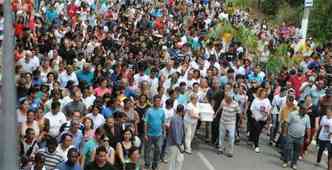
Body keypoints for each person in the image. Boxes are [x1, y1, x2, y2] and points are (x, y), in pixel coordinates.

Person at [282, 102, 311, 169]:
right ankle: (286, 161)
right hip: (290, 135)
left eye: (307, 110)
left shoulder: (307, 117)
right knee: (288, 149)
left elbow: (308, 128)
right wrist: (284, 133)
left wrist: (308, 138)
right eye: (305, 110)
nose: (306, 111)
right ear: (301, 109)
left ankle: (294, 163)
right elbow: (287, 123)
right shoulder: (292, 114)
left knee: (297, 151)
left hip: (300, 137)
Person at [144, 95, 165, 170]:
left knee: (158, 150)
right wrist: (145, 134)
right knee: (147, 150)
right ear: (153, 101)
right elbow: (145, 123)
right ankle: (147, 164)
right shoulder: (149, 110)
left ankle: (155, 165)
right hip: (149, 134)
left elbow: (163, 122)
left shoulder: (162, 111)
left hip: (159, 135)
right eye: (156, 101)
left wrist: (164, 133)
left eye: (159, 101)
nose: (157, 102)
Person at [218, 92, 240, 157]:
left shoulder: (235, 104)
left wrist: (239, 122)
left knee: (231, 136)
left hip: (231, 122)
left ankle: (230, 151)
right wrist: (215, 114)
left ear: (231, 98)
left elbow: (239, 113)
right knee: (221, 135)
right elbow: (220, 108)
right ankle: (220, 148)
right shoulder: (223, 101)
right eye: (226, 97)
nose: (227, 99)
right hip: (223, 121)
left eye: (228, 98)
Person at [249, 88, 271, 153]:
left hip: (263, 118)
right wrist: (253, 114)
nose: (264, 94)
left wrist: (268, 113)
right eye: (262, 93)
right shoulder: (256, 100)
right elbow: (252, 108)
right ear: (260, 93)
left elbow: (269, 108)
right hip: (256, 118)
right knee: (257, 129)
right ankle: (256, 146)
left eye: (265, 93)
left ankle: (253, 139)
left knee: (258, 132)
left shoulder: (267, 100)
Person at [168, 105, 185, 170]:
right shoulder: (175, 119)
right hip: (174, 144)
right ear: (181, 111)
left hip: (179, 143)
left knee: (180, 160)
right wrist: (179, 145)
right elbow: (176, 133)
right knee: (172, 160)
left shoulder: (180, 117)